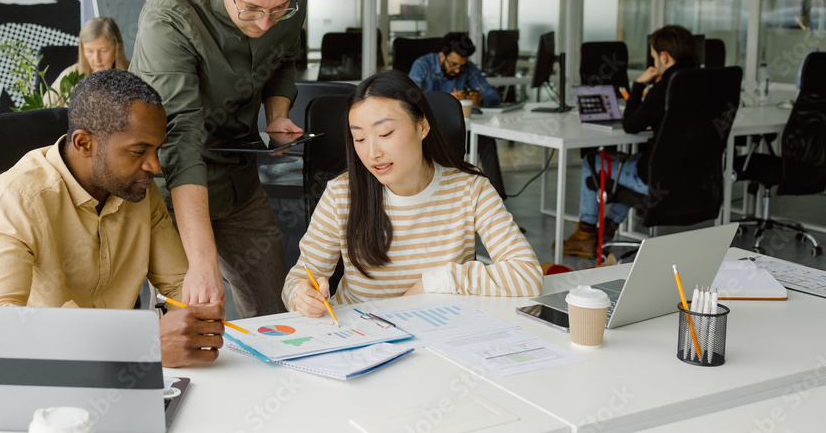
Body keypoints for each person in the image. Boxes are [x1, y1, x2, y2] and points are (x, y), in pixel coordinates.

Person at [0, 69, 225, 367]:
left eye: (157, 149)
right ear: (84, 143)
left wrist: (198, 315)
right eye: (138, 151)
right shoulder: (18, 198)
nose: (154, 166)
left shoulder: (137, 190)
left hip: (121, 378)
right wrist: (139, 345)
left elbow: (182, 289)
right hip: (50, 376)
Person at [129, 0, 307, 318]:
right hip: (176, 193)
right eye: (251, 9)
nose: (265, 22)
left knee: (276, 314)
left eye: (278, 9)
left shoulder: (289, 1)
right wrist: (203, 262)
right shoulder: (169, 20)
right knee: (189, 327)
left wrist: (277, 115)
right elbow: (180, 140)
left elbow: (284, 58)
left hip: (239, 181)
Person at [283, 71, 542, 316]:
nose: (372, 153)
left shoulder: (470, 188)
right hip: (362, 336)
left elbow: (527, 276)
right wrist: (301, 296)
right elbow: (297, 281)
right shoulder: (342, 194)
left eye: (385, 133)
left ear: (422, 127)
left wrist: (437, 281)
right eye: (359, 139)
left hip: (438, 331)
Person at [561, 25, 698, 259]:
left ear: (664, 57)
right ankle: (608, 229)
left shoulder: (665, 88)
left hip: (656, 178)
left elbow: (631, 125)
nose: (654, 61)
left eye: (654, 57)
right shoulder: (707, 84)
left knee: (593, 160)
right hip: (696, 179)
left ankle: (585, 236)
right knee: (629, 164)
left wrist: (639, 85)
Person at [408, 32, 507, 198]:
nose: (457, 70)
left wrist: (480, 98)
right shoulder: (422, 65)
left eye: (461, 66)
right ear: (442, 55)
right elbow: (410, 100)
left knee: (486, 140)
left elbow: (493, 94)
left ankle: (497, 199)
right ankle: (451, 198)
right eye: (453, 64)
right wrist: (446, 101)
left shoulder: (466, 68)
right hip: (429, 127)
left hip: (459, 124)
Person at [45, 16, 129, 106]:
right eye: (90, 51)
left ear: (117, 48)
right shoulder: (70, 75)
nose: (96, 59)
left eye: (103, 51)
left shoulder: (133, 74)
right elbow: (43, 110)